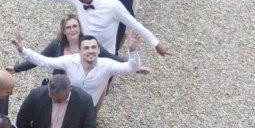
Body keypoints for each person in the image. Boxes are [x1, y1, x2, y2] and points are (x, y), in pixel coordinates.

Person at [6, 0, 167, 56]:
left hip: (105, 53)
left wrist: (155, 43)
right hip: (83, 49)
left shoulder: (112, 4)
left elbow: (134, 24)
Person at [10, 32, 151, 107]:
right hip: (66, 104)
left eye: (93, 47)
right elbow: (45, 61)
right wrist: (22, 50)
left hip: (88, 108)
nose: (90, 51)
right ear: (80, 50)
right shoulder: (70, 61)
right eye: (86, 48)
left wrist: (132, 49)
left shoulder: (107, 65)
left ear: (98, 50)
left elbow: (130, 67)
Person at [10, 15, 123, 73]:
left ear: (79, 28)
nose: (72, 29)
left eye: (75, 26)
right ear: (63, 31)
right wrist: (16, 68)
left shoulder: (89, 44)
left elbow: (111, 57)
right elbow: (39, 59)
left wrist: (134, 65)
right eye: (68, 27)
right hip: (60, 87)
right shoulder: (57, 45)